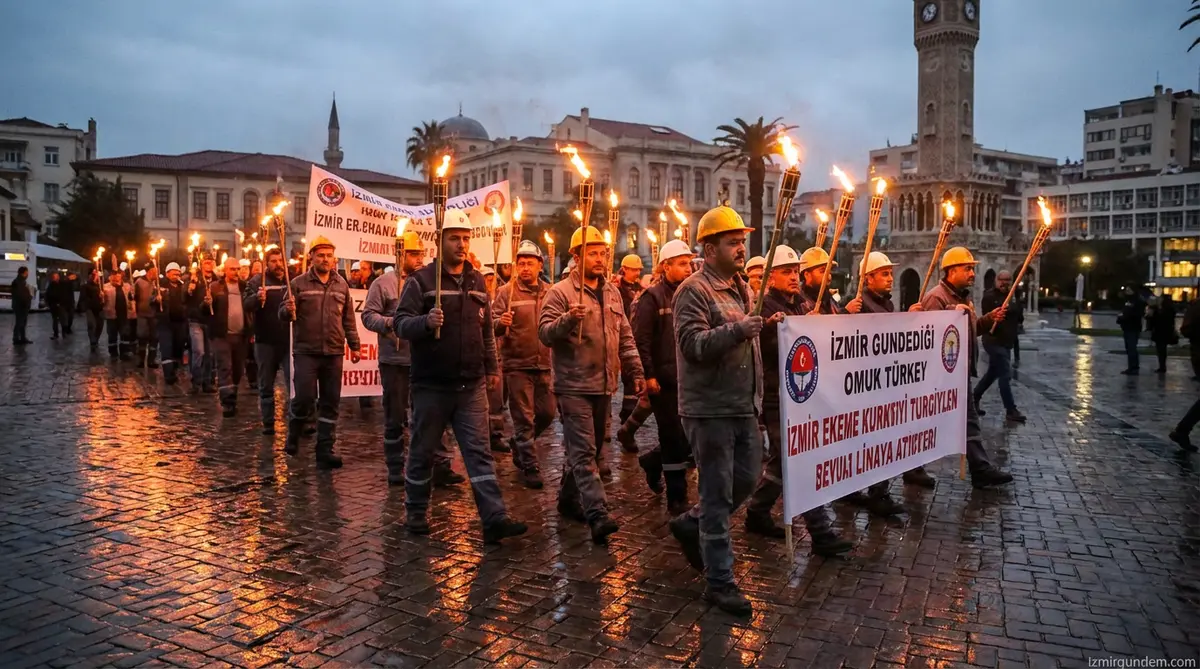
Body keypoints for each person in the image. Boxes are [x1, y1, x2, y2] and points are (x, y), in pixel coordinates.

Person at [394, 209, 528, 544]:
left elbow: (485, 331)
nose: (462, 244)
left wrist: (492, 367)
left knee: (479, 452)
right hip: (431, 385)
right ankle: (415, 512)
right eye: (455, 238)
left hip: (471, 385)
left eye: (466, 238)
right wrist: (425, 323)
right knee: (423, 451)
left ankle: (494, 517)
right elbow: (399, 323)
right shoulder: (421, 281)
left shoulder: (478, 281)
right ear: (440, 240)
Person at [666, 205, 769, 615]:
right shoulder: (692, 290)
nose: (741, 248)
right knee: (716, 492)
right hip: (708, 410)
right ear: (709, 249)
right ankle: (720, 580)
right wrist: (738, 330)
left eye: (742, 241)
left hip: (742, 404)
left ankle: (692, 523)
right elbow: (693, 345)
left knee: (747, 479)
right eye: (733, 242)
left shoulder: (742, 287)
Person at [744, 245, 859, 547]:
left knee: (785, 460)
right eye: (786, 272)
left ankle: (756, 511)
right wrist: (772, 329)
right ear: (771, 278)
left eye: (795, 271)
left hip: (802, 395)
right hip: (777, 396)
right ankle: (819, 531)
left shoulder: (802, 305)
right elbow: (761, 350)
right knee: (799, 458)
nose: (793, 277)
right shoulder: (764, 307)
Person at [540, 226, 645, 543]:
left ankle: (567, 498)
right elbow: (545, 333)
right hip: (573, 386)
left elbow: (624, 334)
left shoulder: (612, 292)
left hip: (604, 385)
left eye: (603, 253)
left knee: (589, 449)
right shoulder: (560, 292)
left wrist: (635, 369)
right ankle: (597, 513)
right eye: (593, 253)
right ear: (576, 256)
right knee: (587, 453)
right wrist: (568, 319)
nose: (600, 259)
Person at [361, 232, 459, 485]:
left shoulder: (428, 281)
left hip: (423, 360)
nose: (419, 259)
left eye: (421, 254)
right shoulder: (383, 284)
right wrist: (391, 323)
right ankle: (395, 464)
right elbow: (368, 316)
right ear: (401, 254)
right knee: (395, 415)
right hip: (395, 360)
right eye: (414, 254)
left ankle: (439, 466)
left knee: (431, 414)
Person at [914, 247, 1014, 488]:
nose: (972, 273)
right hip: (938, 375)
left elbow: (969, 331)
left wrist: (988, 319)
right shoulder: (935, 297)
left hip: (958, 372)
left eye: (972, 269)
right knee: (923, 422)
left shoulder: (964, 298)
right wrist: (950, 313)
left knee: (968, 420)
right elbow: (925, 333)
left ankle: (980, 468)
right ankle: (913, 468)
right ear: (951, 271)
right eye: (967, 268)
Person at [280, 237, 361, 468]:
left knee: (330, 402)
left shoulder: (341, 284)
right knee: (304, 397)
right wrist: (287, 310)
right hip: (306, 351)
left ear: (334, 259)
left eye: (329, 255)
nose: (325, 259)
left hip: (334, 352)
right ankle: (294, 432)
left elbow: (348, 318)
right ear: (312, 257)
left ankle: (324, 450)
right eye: (321, 255)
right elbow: (282, 315)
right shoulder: (297, 283)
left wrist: (354, 345)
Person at [841, 251, 908, 515]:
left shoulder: (886, 304)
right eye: (884, 274)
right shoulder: (857, 303)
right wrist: (845, 315)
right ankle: (865, 491)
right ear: (868, 279)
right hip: (861, 386)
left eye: (890, 273)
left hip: (879, 384)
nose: (890, 278)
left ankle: (877, 491)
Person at [631, 239, 695, 514]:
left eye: (690, 263)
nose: (688, 268)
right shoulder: (653, 297)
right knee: (672, 437)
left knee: (687, 437)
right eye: (682, 264)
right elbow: (641, 339)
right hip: (664, 381)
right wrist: (648, 374)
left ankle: (652, 462)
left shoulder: (691, 294)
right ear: (665, 266)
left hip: (690, 379)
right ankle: (676, 497)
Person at [492, 240, 555, 489]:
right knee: (523, 418)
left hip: (546, 363)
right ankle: (529, 464)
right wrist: (500, 322)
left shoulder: (551, 291)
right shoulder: (505, 293)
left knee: (548, 413)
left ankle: (520, 443)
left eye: (530, 263)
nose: (525, 268)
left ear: (540, 265)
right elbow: (492, 323)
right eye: (521, 263)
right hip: (517, 363)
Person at [245, 249, 292, 433]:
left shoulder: (292, 280)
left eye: (281, 260)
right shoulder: (257, 282)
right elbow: (246, 304)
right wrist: (257, 299)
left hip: (288, 341)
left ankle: (296, 419)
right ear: (267, 263)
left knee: (293, 382)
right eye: (273, 261)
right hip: (265, 341)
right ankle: (268, 422)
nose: (278, 264)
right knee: (266, 384)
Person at [973, 270, 1025, 422]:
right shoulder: (989, 297)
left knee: (993, 373)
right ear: (996, 280)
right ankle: (1010, 409)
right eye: (1002, 280)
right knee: (1005, 374)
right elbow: (987, 317)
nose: (1005, 283)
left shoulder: (1014, 297)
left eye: (1008, 280)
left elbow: (1019, 318)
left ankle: (974, 398)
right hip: (993, 340)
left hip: (1007, 342)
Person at [210, 258, 250, 417]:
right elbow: (205, 311)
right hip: (222, 335)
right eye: (232, 269)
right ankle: (227, 402)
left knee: (238, 369)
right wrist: (207, 304)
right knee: (225, 367)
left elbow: (251, 307)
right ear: (225, 270)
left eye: (238, 269)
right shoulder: (215, 287)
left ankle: (232, 394)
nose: (236, 272)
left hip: (240, 336)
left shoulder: (244, 287)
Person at [615, 254, 645, 436]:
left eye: (638, 270)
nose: (636, 273)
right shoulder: (617, 290)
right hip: (624, 339)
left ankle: (629, 426)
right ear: (624, 269)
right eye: (633, 269)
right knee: (629, 384)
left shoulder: (642, 289)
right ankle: (626, 419)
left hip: (639, 340)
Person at [186, 257, 217, 393]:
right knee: (199, 351)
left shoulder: (217, 280)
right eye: (206, 263)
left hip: (210, 321)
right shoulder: (194, 279)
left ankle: (207, 381)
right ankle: (196, 381)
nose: (208, 265)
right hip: (196, 320)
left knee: (210, 354)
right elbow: (186, 296)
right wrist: (190, 288)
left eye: (211, 262)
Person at [157, 263, 189, 385]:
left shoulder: (183, 286)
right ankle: (168, 375)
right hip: (165, 322)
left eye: (178, 273)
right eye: (173, 273)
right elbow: (152, 300)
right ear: (167, 274)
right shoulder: (161, 286)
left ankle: (175, 369)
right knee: (166, 348)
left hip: (180, 322)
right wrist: (157, 299)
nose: (176, 276)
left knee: (178, 347)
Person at [101, 271, 136, 360]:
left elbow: (132, 298)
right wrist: (101, 297)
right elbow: (101, 301)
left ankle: (124, 352)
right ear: (110, 277)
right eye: (113, 276)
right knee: (112, 334)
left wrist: (133, 294)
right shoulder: (105, 287)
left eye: (117, 276)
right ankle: (113, 353)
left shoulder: (127, 286)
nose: (116, 278)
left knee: (125, 334)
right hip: (111, 314)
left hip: (124, 314)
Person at [133, 263, 161, 368]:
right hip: (142, 314)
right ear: (149, 272)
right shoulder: (139, 282)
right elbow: (133, 296)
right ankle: (140, 359)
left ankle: (151, 360)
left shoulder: (158, 283)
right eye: (155, 271)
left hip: (154, 314)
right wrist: (131, 295)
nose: (157, 273)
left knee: (154, 338)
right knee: (142, 336)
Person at [1116, 287, 1146, 375]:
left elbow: (1137, 314)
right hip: (1126, 326)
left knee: (1132, 347)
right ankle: (1131, 366)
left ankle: (1134, 367)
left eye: (1129, 290)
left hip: (1133, 327)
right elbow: (1124, 311)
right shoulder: (1127, 301)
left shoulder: (1138, 301)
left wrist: (1126, 316)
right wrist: (1121, 317)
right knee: (1129, 348)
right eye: (1127, 290)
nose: (1127, 292)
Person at [1146, 294, 1177, 374]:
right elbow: (1151, 319)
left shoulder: (1168, 309)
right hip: (1158, 331)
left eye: (1160, 299)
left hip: (1164, 331)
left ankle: (1162, 367)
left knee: (1162, 349)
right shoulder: (1156, 308)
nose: (1158, 300)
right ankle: (1161, 366)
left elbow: (1167, 320)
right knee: (1160, 350)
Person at [79, 269, 104, 351]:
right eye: (93, 274)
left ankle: (96, 339)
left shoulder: (101, 285)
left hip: (100, 307)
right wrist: (82, 307)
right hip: (90, 307)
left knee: (100, 325)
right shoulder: (86, 286)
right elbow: (83, 297)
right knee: (91, 324)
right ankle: (92, 340)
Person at [45, 271, 71, 340]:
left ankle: (63, 333)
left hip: (61, 305)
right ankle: (56, 334)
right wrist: (49, 303)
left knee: (63, 320)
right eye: (55, 277)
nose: (57, 278)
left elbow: (64, 293)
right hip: (54, 305)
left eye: (57, 276)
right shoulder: (51, 285)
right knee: (55, 320)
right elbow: (49, 295)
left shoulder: (62, 284)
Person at [10, 266, 32, 345]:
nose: (28, 274)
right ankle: (16, 338)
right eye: (27, 272)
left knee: (23, 322)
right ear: (24, 273)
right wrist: (27, 298)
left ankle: (22, 337)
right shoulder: (18, 282)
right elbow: (19, 295)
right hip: (20, 306)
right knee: (19, 322)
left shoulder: (22, 281)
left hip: (23, 305)